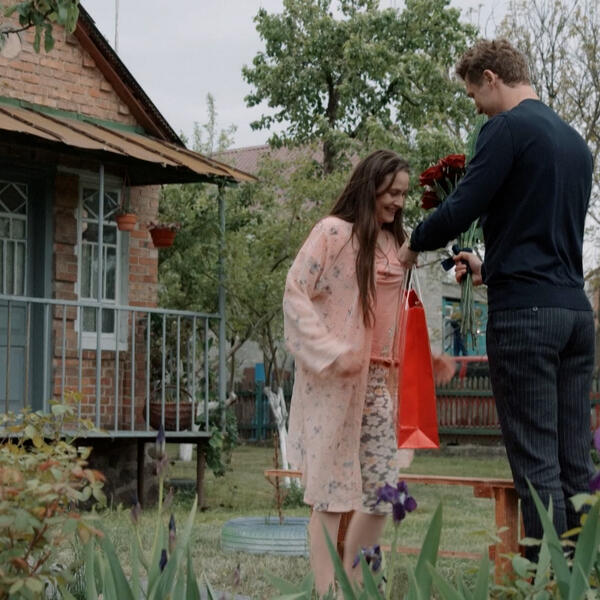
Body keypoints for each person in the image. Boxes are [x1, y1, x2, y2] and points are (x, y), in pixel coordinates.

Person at [399, 39, 595, 559]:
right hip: (575, 314)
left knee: (537, 466)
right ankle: (583, 578)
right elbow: (547, 235)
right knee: (576, 464)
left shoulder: (506, 129)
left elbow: (463, 206)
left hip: (527, 321)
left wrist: (414, 242)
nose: (476, 108)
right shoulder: (576, 144)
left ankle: (544, 582)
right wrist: (492, 269)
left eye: (473, 95)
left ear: (490, 78)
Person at [283, 150, 453, 594]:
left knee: (382, 491)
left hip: (379, 384)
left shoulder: (399, 244)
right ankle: (326, 590)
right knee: (332, 493)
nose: (399, 201)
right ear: (369, 186)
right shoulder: (332, 233)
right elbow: (295, 291)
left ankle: (357, 583)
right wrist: (329, 351)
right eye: (391, 192)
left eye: (403, 194)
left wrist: (426, 357)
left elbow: (400, 313)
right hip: (337, 382)